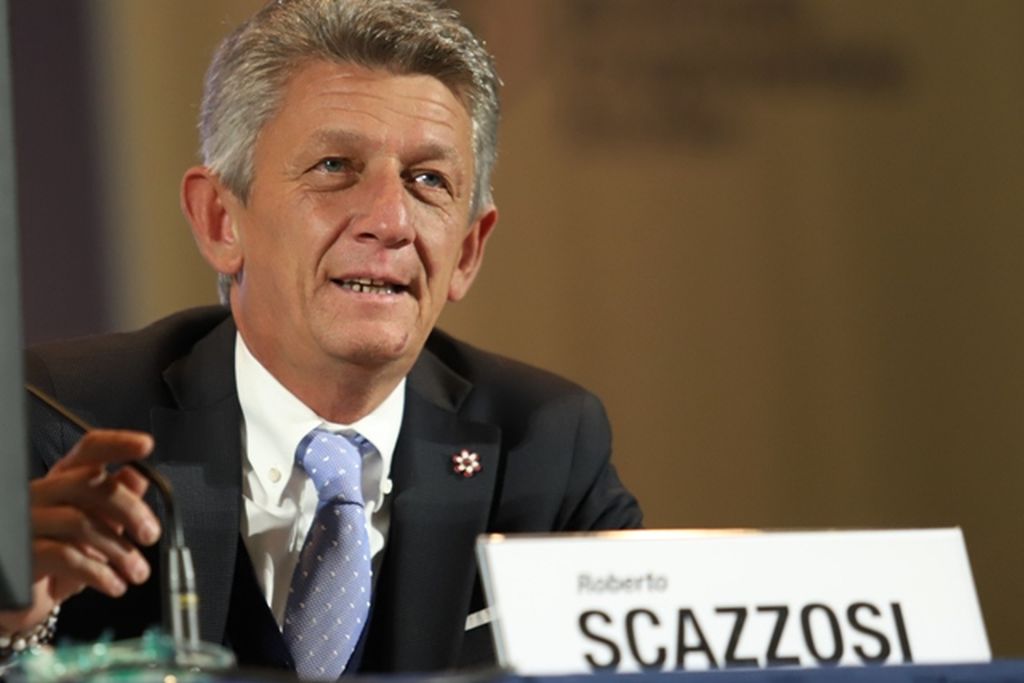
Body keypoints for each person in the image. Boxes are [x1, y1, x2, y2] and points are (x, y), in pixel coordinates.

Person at [1, 0, 642, 676]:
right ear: (220, 219)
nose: (390, 221)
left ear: (468, 250)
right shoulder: (56, 420)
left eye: (428, 180)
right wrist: (11, 619)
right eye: (335, 166)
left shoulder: (546, 447)